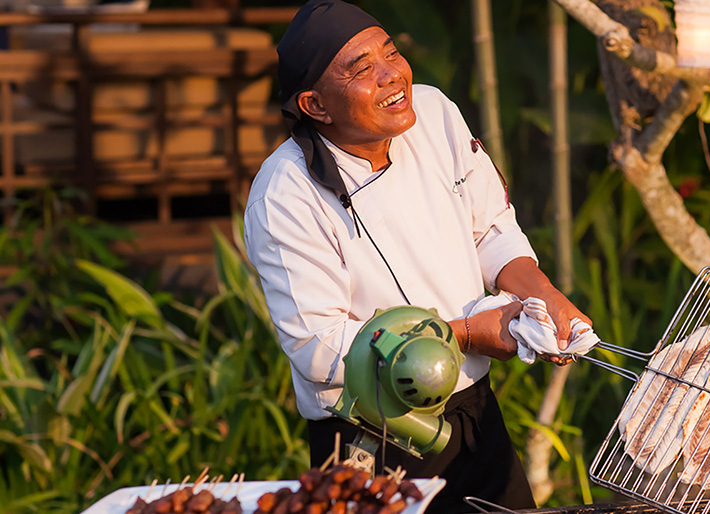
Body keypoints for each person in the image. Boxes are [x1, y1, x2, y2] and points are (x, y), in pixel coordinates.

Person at [243, 0, 590, 511]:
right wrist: (467, 334)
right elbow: (318, 348)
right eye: (361, 69)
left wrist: (544, 297)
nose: (392, 76)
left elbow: (489, 227)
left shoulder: (433, 112)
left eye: (391, 52)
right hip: (372, 435)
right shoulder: (285, 195)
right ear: (315, 105)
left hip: (474, 414)